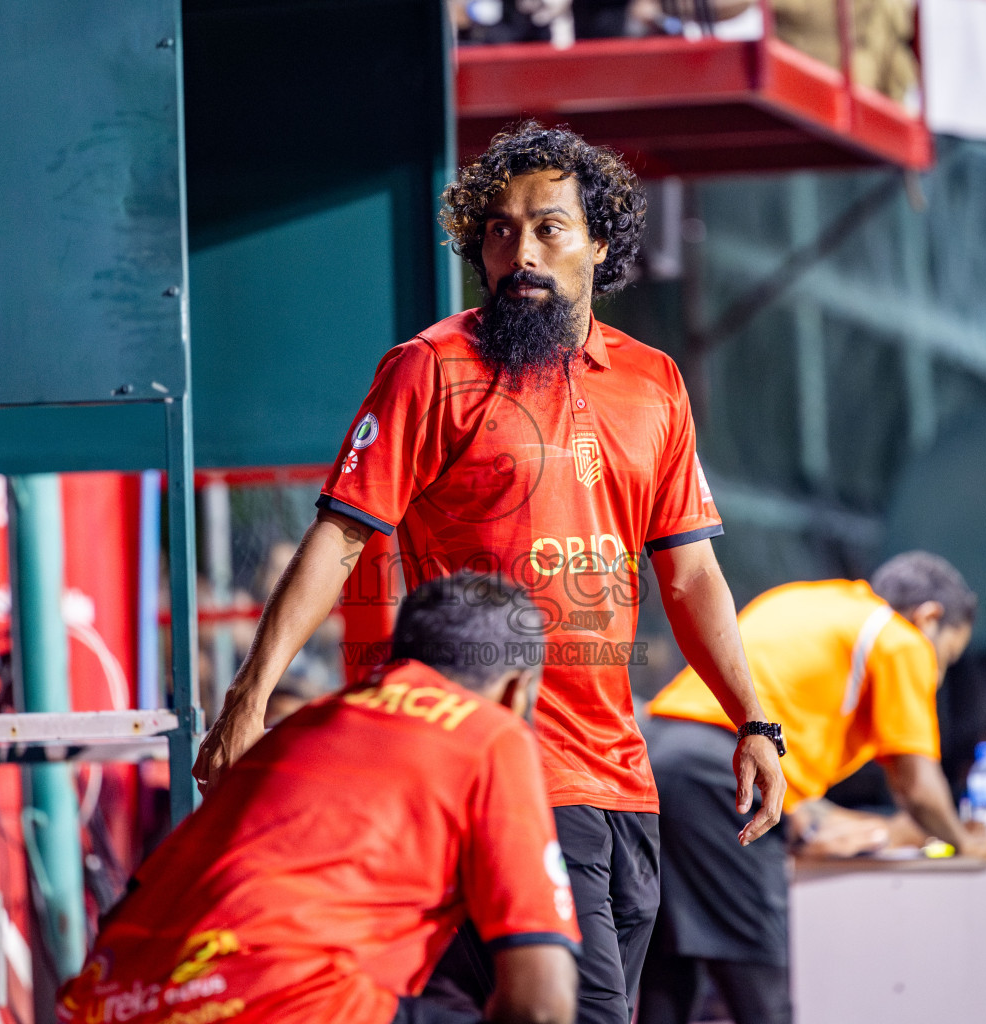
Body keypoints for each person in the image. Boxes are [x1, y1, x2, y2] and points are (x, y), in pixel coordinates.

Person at [194, 121, 786, 1024]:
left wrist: (756, 720)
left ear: (600, 243)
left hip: (622, 781)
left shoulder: (654, 383)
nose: (522, 251)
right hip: (494, 768)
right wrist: (248, 696)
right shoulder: (429, 370)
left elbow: (693, 576)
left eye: (550, 227)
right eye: (501, 230)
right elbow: (338, 540)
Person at [57, 572, 579, 1024]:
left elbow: (134, 899)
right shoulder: (490, 731)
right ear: (516, 691)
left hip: (109, 999)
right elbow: (542, 1003)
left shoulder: (302, 728)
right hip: (282, 999)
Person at [637, 551, 986, 1024]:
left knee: (670, 973)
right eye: (946, 656)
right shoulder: (899, 638)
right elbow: (918, 787)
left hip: (658, 755)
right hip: (721, 774)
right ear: (929, 617)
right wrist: (965, 842)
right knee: (763, 990)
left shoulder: (810, 601)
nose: (938, 674)